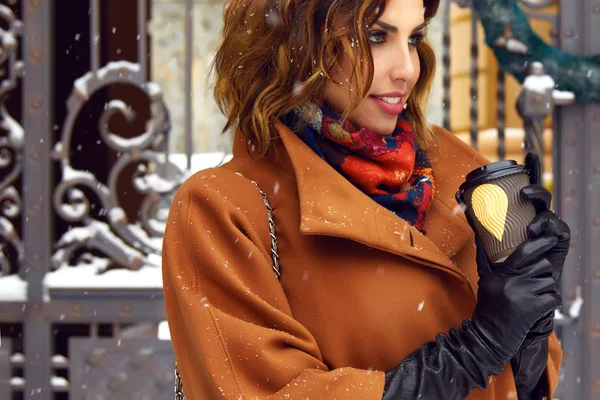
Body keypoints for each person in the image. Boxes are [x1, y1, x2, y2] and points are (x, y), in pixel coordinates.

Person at [162, 0, 570, 398]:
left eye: (414, 38)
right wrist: (474, 351)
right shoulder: (223, 208)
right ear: (298, 47)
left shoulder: (456, 179)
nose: (406, 69)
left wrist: (529, 331)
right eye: (376, 36)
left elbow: (524, 387)